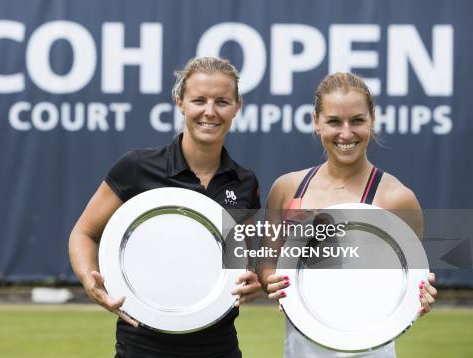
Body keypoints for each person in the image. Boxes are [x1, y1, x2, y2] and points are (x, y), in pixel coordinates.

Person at [69, 56, 262, 357]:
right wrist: (90, 281)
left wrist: (253, 280)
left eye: (222, 101)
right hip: (142, 345)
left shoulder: (244, 182)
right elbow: (84, 233)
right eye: (199, 100)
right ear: (180, 102)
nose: (209, 112)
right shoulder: (136, 167)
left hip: (218, 346)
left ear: (237, 106)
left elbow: (241, 261)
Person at [258, 72, 438, 357]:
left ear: (372, 119)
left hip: (369, 349)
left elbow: (411, 281)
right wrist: (273, 281)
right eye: (333, 121)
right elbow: (267, 263)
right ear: (316, 122)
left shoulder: (397, 198)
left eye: (356, 120)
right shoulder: (287, 189)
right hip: (301, 348)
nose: (345, 133)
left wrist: (420, 297)